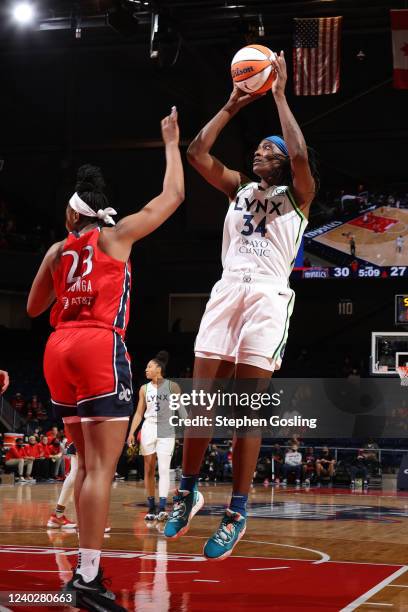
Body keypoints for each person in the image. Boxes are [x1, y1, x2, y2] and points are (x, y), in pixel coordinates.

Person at [27, 107, 184, 611]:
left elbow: (34, 307)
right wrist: (170, 144)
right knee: (100, 469)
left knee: (83, 462)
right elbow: (174, 197)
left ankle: (85, 569)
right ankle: (87, 577)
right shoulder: (116, 238)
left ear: (72, 215)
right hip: (98, 345)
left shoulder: (57, 249)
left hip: (57, 350)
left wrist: (65, 273)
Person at [164, 51, 318, 560]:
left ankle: (237, 510)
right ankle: (186, 491)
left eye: (265, 151)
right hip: (229, 288)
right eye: (255, 151)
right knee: (200, 400)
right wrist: (232, 103)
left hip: (269, 297)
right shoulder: (238, 187)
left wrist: (277, 95)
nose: (258, 155)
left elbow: (297, 154)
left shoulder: (299, 193)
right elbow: (196, 151)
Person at [127, 351, 181, 521]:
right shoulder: (144, 388)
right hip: (148, 427)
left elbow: (180, 410)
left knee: (164, 468)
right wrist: (131, 432)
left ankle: (163, 507)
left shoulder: (173, 387)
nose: (146, 369)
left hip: (166, 428)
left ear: (159, 369)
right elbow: (138, 413)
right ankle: (151, 507)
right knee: (149, 469)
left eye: (149, 366)